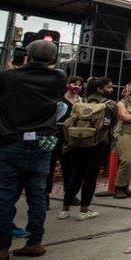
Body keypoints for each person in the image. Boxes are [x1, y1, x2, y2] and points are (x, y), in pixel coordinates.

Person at [0, 40, 66, 260]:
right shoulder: (58, 77)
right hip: (41, 143)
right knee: (37, 194)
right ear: (53, 59)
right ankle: (34, 242)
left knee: (4, 196)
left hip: (12, 141)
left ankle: (1, 247)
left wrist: (13, 70)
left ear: (27, 55)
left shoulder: (9, 76)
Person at [58, 77, 116, 221]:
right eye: (108, 87)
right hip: (98, 144)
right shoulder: (109, 104)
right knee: (91, 177)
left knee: (76, 176)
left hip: (77, 141)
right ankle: (84, 210)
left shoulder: (81, 102)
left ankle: (65, 209)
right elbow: (110, 125)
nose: (111, 90)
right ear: (100, 88)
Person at [46, 76, 81, 207]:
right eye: (74, 83)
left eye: (79, 84)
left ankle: (70, 195)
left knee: (70, 168)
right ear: (67, 85)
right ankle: (45, 196)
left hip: (71, 137)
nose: (76, 86)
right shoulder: (59, 101)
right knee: (49, 167)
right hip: (56, 135)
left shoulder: (81, 101)